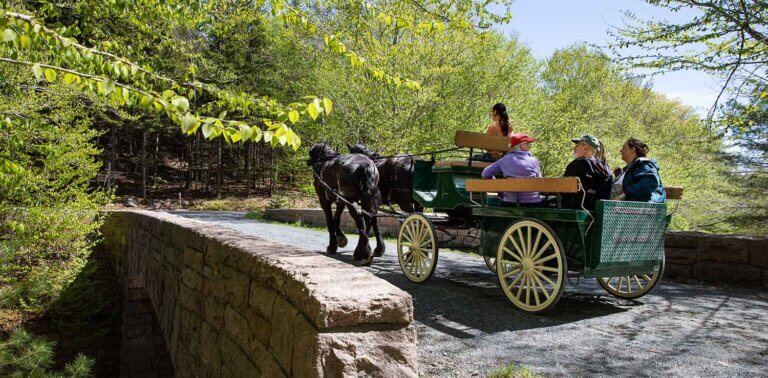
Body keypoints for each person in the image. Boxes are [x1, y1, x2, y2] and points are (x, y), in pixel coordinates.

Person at [481, 133, 542, 207]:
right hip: (533, 203)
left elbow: (485, 173)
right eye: (528, 144)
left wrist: (495, 181)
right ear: (522, 145)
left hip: (510, 203)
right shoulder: (534, 161)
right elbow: (539, 180)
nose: (529, 147)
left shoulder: (504, 160)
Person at [562, 135, 614, 210]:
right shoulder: (605, 168)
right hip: (596, 210)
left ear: (585, 148)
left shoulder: (577, 164)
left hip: (573, 209)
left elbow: (563, 188)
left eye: (577, 145)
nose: (574, 148)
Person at [612, 138, 666, 203]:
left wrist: (623, 195)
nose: (621, 150)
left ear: (633, 149)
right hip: (637, 207)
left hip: (649, 207)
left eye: (624, 148)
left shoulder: (645, 165)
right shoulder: (631, 168)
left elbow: (648, 184)